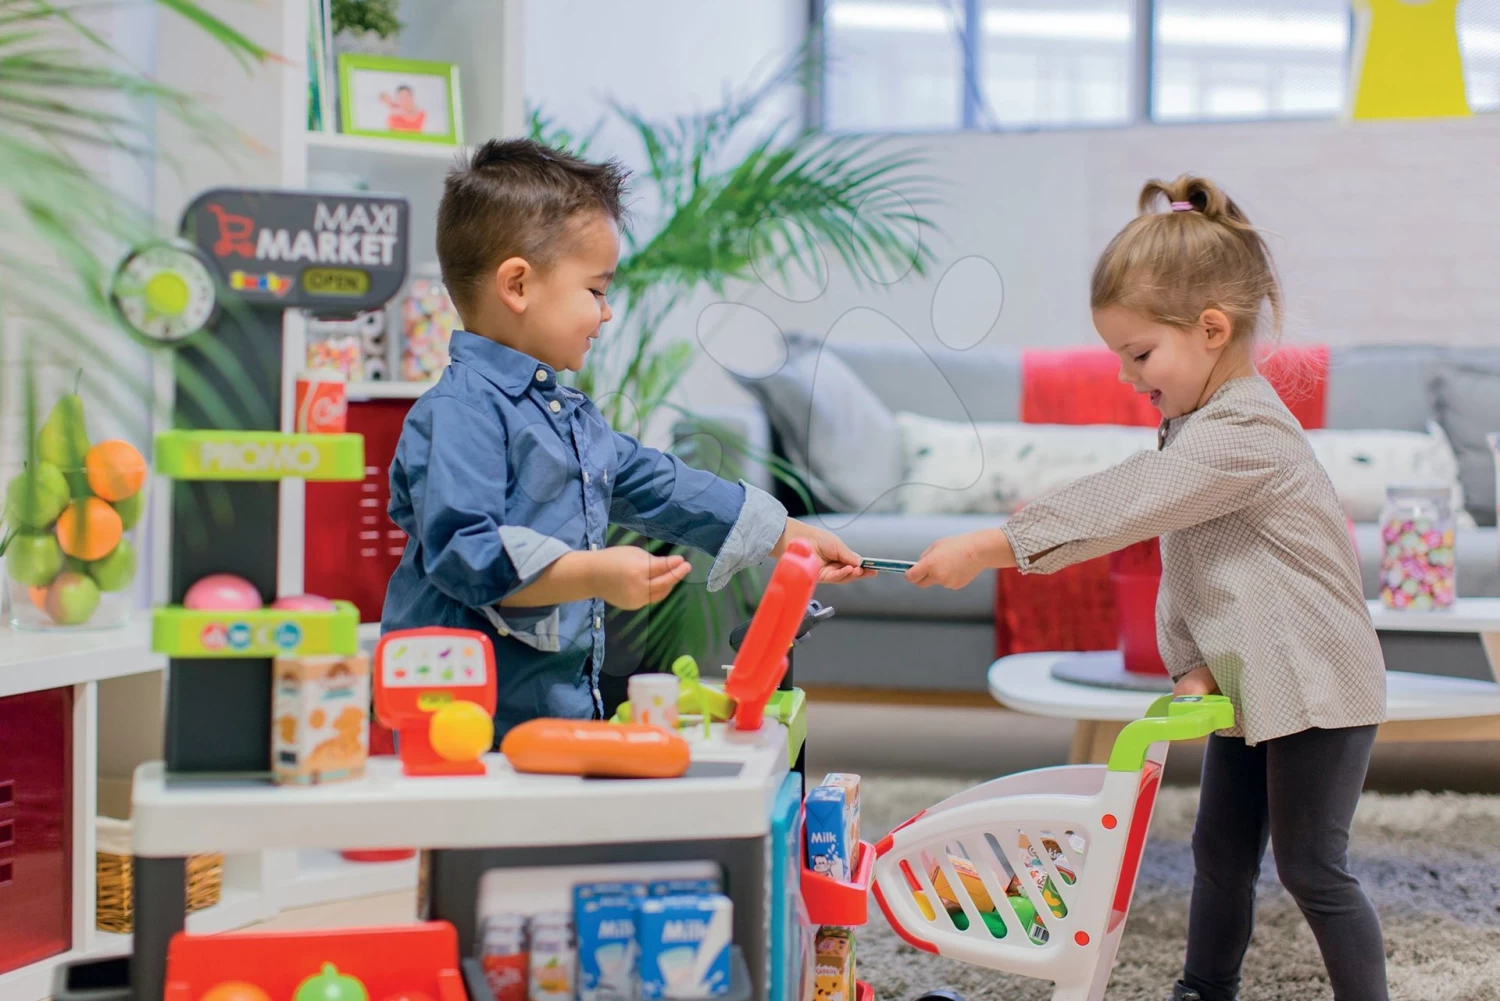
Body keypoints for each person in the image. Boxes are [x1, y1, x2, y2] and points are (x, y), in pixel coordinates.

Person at [906, 175, 1389, 1001]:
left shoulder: (1245, 430)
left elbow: (1127, 503)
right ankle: (1204, 989)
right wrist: (1190, 662)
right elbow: (1197, 564)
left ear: (1211, 329)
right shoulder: (1193, 428)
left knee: (1313, 865)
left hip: (1319, 681)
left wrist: (996, 544)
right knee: (1219, 851)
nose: (1130, 377)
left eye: (1139, 356)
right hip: (1250, 683)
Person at [382, 138, 869, 739]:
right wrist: (593, 573)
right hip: (465, 722)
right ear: (517, 285)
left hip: (553, 706)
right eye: (596, 291)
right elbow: (467, 552)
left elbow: (655, 484)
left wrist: (783, 533)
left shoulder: (561, 413)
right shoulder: (459, 413)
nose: (606, 313)